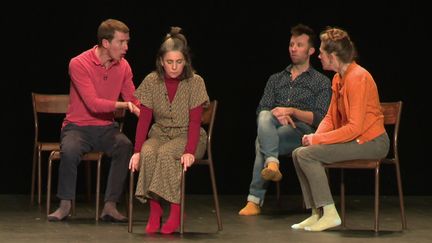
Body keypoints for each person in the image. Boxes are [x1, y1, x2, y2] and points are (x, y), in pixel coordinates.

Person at [290, 27, 390, 232]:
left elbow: (355, 128)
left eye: (322, 53)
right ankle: (316, 213)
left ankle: (330, 213)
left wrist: (318, 141)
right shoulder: (338, 78)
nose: (318, 56)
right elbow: (330, 117)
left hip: (372, 142)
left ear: (333, 56)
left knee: (308, 155)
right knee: (298, 153)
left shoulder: (357, 77)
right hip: (356, 140)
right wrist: (315, 136)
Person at [47, 19, 140, 222]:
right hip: (77, 127)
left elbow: (134, 99)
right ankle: (64, 205)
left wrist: (149, 113)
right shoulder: (79, 63)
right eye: (122, 42)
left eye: (127, 42)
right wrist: (123, 106)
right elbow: (93, 104)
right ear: (106, 43)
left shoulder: (123, 66)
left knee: (124, 145)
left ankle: (110, 206)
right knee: (70, 149)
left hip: (106, 128)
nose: (126, 47)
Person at [239, 24, 332, 216]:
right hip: (275, 127)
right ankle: (272, 162)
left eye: (299, 44)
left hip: (303, 132)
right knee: (265, 115)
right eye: (291, 44)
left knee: (260, 142)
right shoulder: (275, 79)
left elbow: (321, 117)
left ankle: (254, 200)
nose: (293, 48)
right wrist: (277, 116)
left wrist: (292, 112)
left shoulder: (321, 81)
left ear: (311, 50)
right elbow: (261, 109)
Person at [129, 26, 209, 234]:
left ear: (186, 62)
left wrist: (190, 150)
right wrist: (137, 150)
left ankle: (175, 212)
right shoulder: (151, 81)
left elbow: (194, 123)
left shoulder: (195, 82)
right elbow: (144, 120)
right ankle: (155, 212)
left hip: (189, 137)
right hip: (160, 134)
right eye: (169, 62)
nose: (174, 67)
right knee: (148, 152)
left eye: (179, 62)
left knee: (166, 154)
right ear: (161, 61)